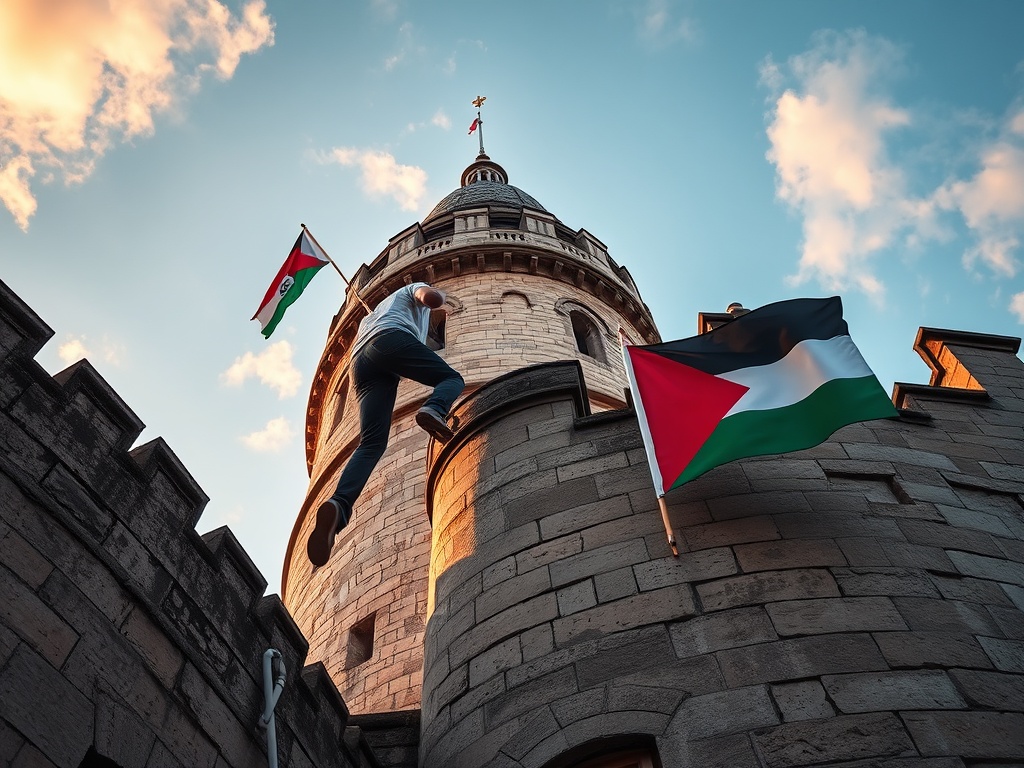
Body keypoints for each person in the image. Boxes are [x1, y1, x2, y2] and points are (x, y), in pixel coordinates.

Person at [306, 282, 464, 567]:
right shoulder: (412, 289)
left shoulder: (372, 314)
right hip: (390, 340)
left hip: (360, 362)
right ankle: (434, 408)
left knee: (371, 443)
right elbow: (427, 297)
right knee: (452, 380)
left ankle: (339, 504)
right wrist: (438, 296)